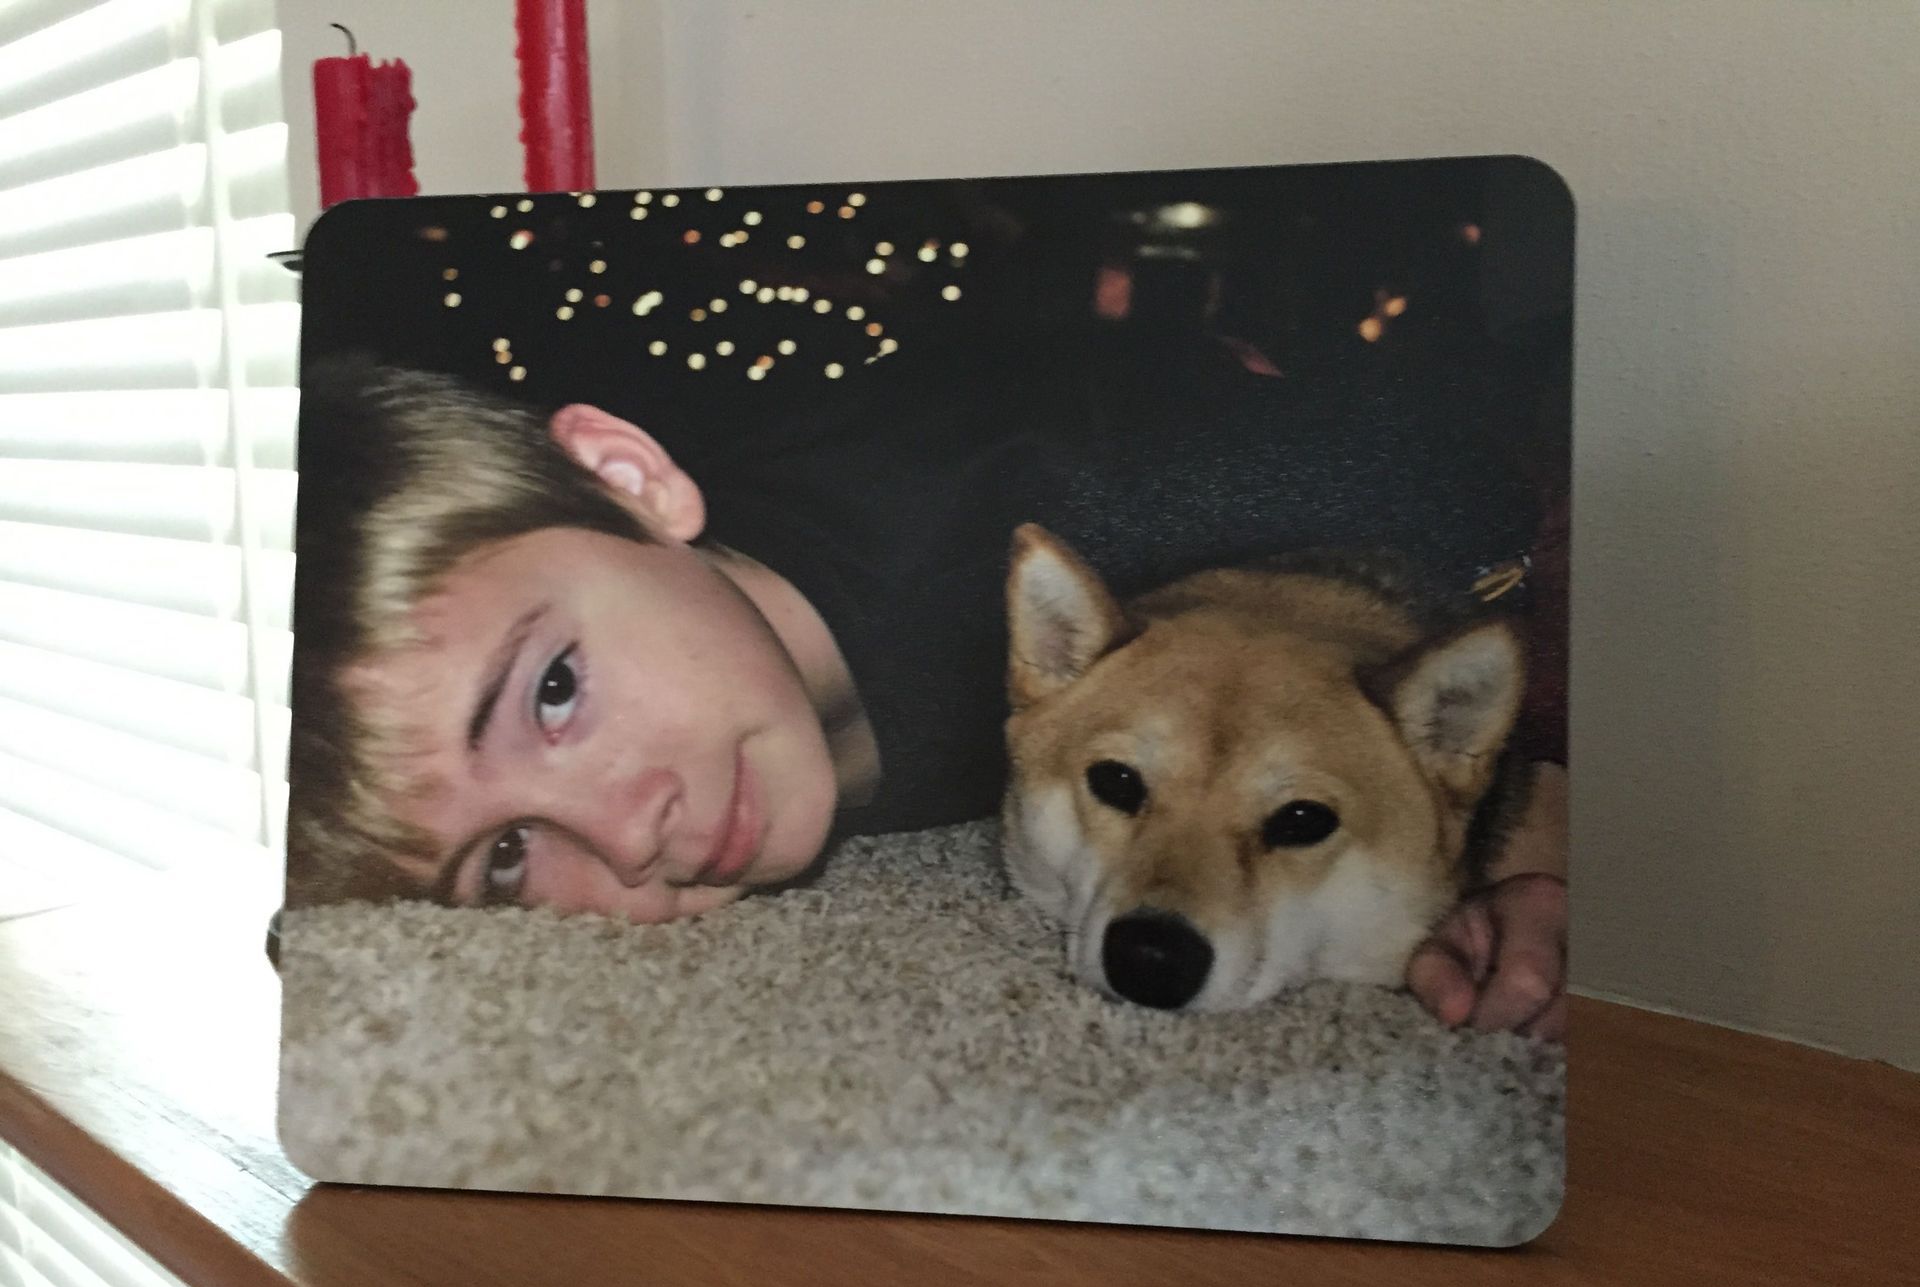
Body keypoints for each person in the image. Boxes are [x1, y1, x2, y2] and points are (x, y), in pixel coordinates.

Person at [288, 329, 1568, 1038]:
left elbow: (1486, 505)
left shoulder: (1093, 498)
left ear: (631, 481)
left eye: (555, 690)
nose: (629, 834)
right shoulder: (732, 712)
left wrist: (1509, 827)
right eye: (505, 859)